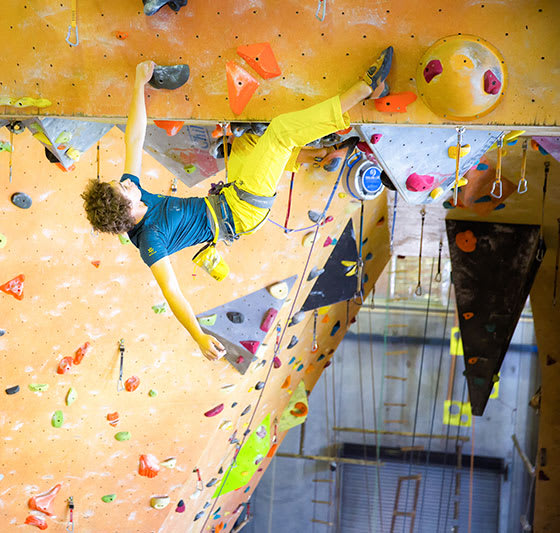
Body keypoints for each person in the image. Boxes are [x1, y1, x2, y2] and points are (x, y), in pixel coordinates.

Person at [82, 48, 393, 361]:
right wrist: (199, 336)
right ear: (128, 210)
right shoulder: (151, 240)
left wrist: (139, 83)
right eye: (124, 188)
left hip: (230, 196)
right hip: (243, 211)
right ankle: (364, 89)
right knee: (280, 133)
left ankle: (318, 156)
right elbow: (172, 293)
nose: (128, 182)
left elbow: (134, 138)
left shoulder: (134, 193)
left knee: (248, 142)